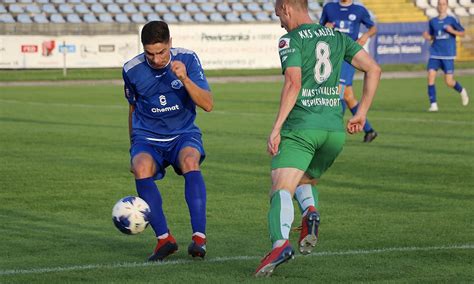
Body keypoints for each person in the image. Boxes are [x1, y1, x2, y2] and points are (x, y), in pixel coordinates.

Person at [254, 0, 381, 277]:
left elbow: (293, 83)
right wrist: (361, 113)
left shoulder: (291, 40)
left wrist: (276, 128)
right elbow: (374, 69)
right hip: (333, 132)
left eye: (278, 15)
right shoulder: (338, 37)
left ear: (287, 7)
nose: (280, 22)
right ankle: (310, 211)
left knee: (280, 188)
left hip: (302, 128)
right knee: (305, 178)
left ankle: (279, 246)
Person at [122, 21, 213, 261]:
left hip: (183, 133)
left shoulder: (188, 59)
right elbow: (132, 108)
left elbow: (208, 104)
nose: (156, 59)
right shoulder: (131, 69)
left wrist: (184, 78)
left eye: (161, 52)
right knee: (140, 166)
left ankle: (199, 239)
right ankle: (164, 239)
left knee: (191, 160)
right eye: (150, 53)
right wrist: (134, 145)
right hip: (148, 137)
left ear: (170, 44)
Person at [320, 0, 378, 142]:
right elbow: (319, 29)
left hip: (349, 56)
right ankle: (369, 130)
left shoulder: (359, 9)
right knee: (348, 95)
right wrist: (325, 28)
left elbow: (373, 28)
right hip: (332, 56)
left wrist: (365, 36)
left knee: (338, 91)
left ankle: (332, 132)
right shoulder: (329, 7)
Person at [422, 0, 468, 112]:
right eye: (440, 4)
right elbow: (433, 36)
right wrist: (428, 37)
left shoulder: (452, 20)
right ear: (437, 6)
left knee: (448, 82)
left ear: (447, 6)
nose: (441, 6)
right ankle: (433, 105)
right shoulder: (432, 21)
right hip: (435, 53)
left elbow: (463, 33)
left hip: (448, 55)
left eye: (444, 4)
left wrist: (452, 31)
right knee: (430, 77)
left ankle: (462, 90)